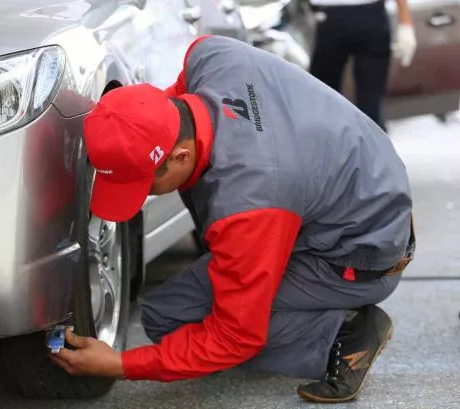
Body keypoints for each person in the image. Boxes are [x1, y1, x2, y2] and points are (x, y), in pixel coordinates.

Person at [49, 35, 415, 403]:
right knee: (165, 311)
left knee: (185, 322)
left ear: (179, 156)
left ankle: (344, 331)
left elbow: (235, 336)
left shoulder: (249, 201)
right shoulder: (212, 56)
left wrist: (121, 365)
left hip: (361, 255)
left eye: (144, 184)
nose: (143, 195)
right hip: (366, 186)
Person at [308, 0, 417, 131]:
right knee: (324, 102)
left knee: (370, 109)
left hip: (366, 15)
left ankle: (372, 148)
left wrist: (406, 23)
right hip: (330, 17)